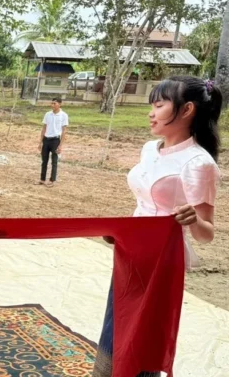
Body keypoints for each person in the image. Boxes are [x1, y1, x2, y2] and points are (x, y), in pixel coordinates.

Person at [93, 76, 222, 377]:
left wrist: (192, 219)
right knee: (115, 325)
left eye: (160, 105)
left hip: (161, 264)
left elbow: (207, 234)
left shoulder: (198, 163)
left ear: (187, 109)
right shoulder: (150, 149)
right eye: (152, 105)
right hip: (131, 253)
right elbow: (145, 204)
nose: (151, 112)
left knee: (144, 336)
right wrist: (120, 232)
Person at [37, 98, 68, 187]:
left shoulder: (63, 115)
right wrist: (40, 142)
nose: (52, 105)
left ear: (60, 104)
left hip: (55, 140)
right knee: (44, 161)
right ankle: (42, 179)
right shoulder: (47, 114)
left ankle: (52, 180)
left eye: (54, 103)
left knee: (54, 161)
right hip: (46, 139)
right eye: (52, 103)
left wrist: (60, 145)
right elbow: (44, 128)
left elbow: (64, 131)